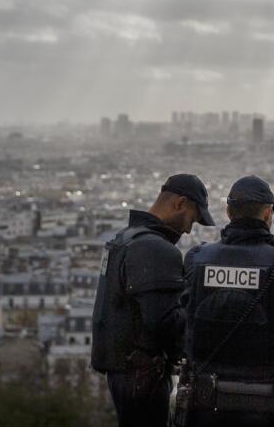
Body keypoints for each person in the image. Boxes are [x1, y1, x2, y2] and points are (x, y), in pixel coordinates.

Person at [175, 175, 274, 426]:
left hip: (205, 401)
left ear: (228, 211)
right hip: (265, 403)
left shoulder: (197, 259)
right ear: (268, 214)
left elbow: (184, 316)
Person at [93, 173, 214, 427]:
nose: (189, 228)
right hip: (144, 374)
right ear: (180, 203)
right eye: (192, 217)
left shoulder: (124, 238)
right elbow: (163, 323)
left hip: (122, 371)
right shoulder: (156, 249)